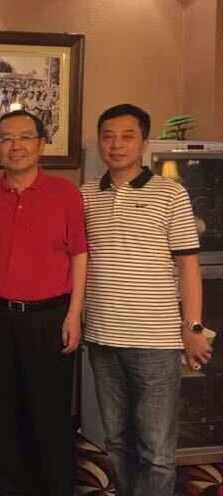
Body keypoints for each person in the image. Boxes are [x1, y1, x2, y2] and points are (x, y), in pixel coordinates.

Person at [81, 104, 213, 496]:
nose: (116, 145)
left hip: (155, 341)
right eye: (108, 136)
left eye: (127, 136)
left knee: (156, 449)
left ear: (144, 143)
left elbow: (189, 267)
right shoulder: (86, 195)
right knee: (117, 441)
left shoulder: (170, 193)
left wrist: (193, 327)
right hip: (102, 338)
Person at [0, 109, 87, 496]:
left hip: (50, 317)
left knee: (50, 415)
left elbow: (79, 255)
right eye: (6, 138)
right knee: (2, 415)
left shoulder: (66, 193)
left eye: (24, 137)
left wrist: (74, 314)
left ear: (41, 144)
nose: (15, 146)